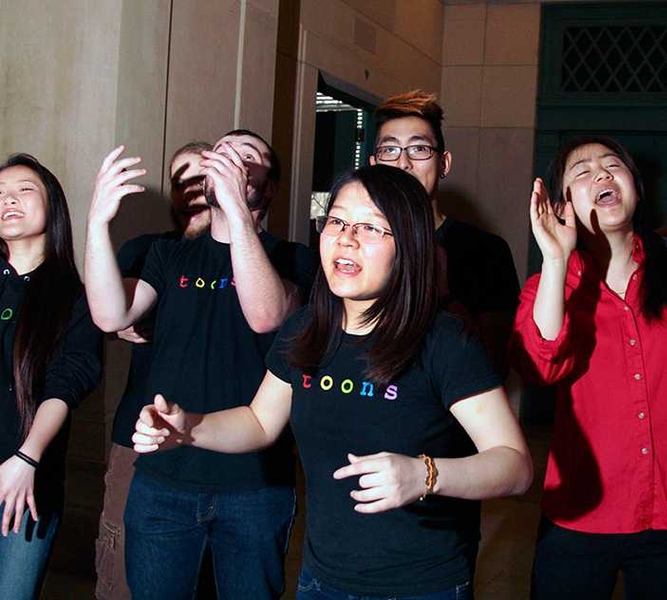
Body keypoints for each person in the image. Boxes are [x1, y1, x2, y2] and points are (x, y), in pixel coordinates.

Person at [132, 164, 533, 599]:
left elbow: (514, 465)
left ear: (410, 248)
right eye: (338, 221)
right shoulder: (307, 328)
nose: (346, 237)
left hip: (421, 584)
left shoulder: (444, 341)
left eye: (371, 228)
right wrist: (187, 427)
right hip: (321, 582)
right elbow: (259, 421)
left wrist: (425, 475)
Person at [85, 130, 316, 599]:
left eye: (247, 157)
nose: (230, 161)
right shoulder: (169, 253)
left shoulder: (295, 258)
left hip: (255, 484)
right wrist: (95, 222)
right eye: (223, 153)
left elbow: (266, 315)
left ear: (267, 187)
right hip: (162, 480)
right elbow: (111, 314)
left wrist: (235, 214)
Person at [509, 135, 667, 599]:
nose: (601, 174)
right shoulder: (551, 285)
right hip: (582, 507)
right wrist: (556, 259)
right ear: (562, 205)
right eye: (582, 172)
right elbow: (539, 366)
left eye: (613, 165)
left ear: (636, 187)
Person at [94, 141, 212, 600]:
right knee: (122, 575)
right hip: (139, 439)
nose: (192, 189)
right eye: (180, 178)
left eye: (203, 176)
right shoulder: (149, 250)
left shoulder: (260, 257)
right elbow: (110, 308)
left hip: (222, 443)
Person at [0, 154, 102, 599]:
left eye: (24, 190)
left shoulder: (74, 297)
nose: (8, 200)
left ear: (53, 207)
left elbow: (68, 381)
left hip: (25, 481)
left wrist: (27, 458)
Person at [371, 90, 520, 374]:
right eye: (389, 150)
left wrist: (442, 295)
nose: (403, 163)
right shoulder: (355, 243)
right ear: (374, 165)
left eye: (419, 149)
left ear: (444, 164)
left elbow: (493, 363)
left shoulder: (486, 251)